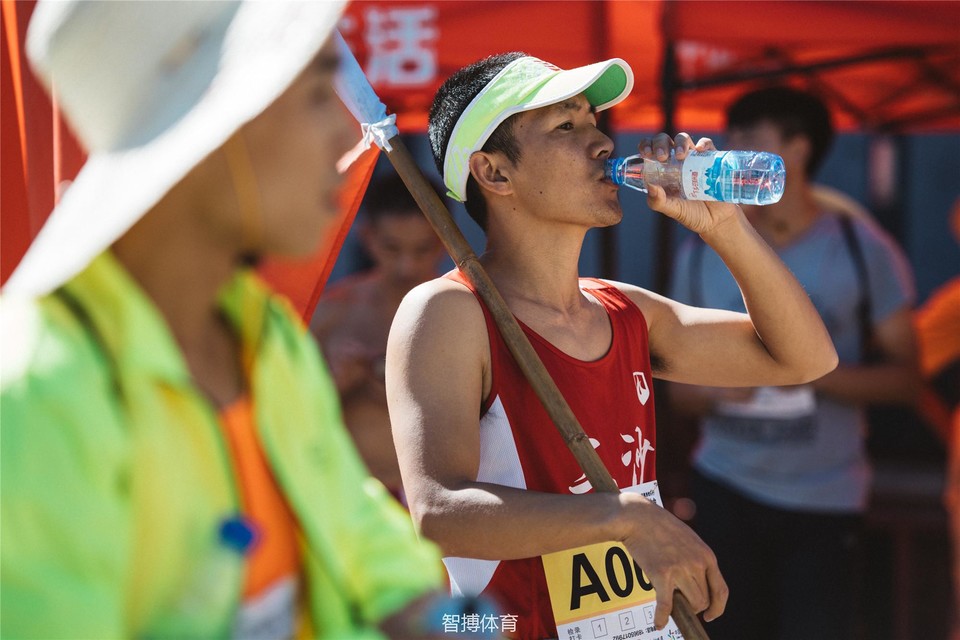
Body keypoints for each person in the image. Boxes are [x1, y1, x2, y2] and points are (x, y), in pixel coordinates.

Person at [0, 2, 447, 638]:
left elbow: (388, 574)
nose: (342, 136)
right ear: (218, 121)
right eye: (320, 94)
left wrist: (487, 626)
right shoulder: (40, 393)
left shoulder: (267, 339)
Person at [385, 52, 838, 640]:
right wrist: (623, 520)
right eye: (566, 127)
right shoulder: (448, 311)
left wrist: (725, 227)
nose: (602, 142)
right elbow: (438, 512)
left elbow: (804, 359)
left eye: (595, 121)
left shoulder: (625, 311)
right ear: (494, 174)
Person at [668, 85, 919, 640]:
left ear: (797, 151)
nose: (727, 155)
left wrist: (808, 367)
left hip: (825, 497)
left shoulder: (861, 246)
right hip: (723, 485)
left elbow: (908, 378)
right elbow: (675, 387)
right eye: (728, 140)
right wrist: (718, 390)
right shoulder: (698, 247)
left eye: (747, 142)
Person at [311, 172, 445, 501]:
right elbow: (289, 420)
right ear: (367, 237)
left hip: (442, 498)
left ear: (443, 239)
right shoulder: (332, 314)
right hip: (355, 496)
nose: (406, 266)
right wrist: (339, 382)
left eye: (422, 249)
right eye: (392, 247)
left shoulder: (467, 312)